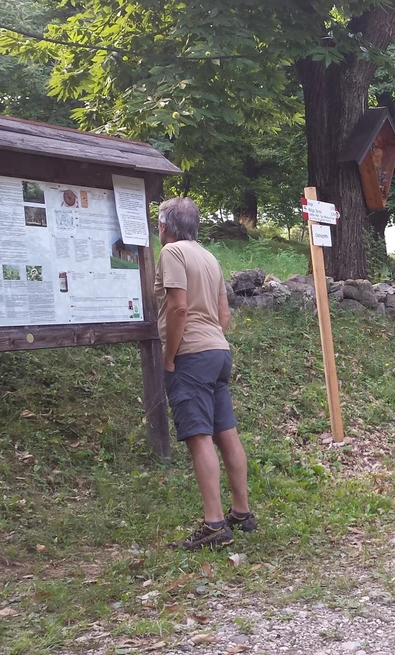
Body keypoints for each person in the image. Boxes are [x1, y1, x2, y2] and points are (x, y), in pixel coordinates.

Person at [155, 197, 256, 549]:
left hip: (191, 354)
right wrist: (211, 339)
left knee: (199, 436)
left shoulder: (172, 253)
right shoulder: (209, 256)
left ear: (164, 226)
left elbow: (178, 308)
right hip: (218, 351)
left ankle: (214, 525)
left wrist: (170, 357)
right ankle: (241, 511)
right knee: (225, 431)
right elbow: (224, 313)